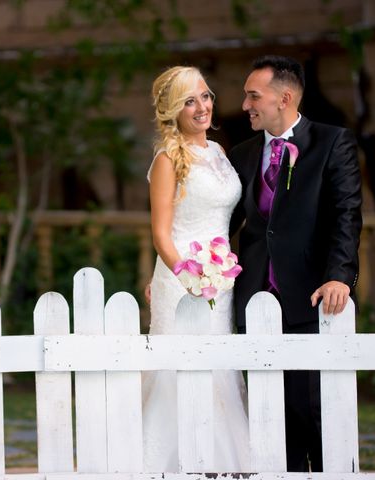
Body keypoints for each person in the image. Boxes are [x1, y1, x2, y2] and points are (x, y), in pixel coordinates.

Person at [229, 55, 362, 472]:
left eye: (254, 96)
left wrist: (339, 275)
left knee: (314, 412)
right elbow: (224, 224)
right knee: (270, 416)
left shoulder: (332, 142)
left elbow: (347, 213)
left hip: (310, 297)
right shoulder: (242, 153)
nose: (246, 104)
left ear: (283, 98)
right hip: (254, 301)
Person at [143, 66, 249, 472]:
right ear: (173, 111)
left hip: (221, 281)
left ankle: (220, 463)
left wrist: (215, 278)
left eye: (204, 96)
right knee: (179, 372)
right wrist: (190, 280)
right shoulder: (169, 158)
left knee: (217, 370)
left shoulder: (219, 152)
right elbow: (161, 234)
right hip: (184, 284)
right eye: (189, 101)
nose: (201, 106)